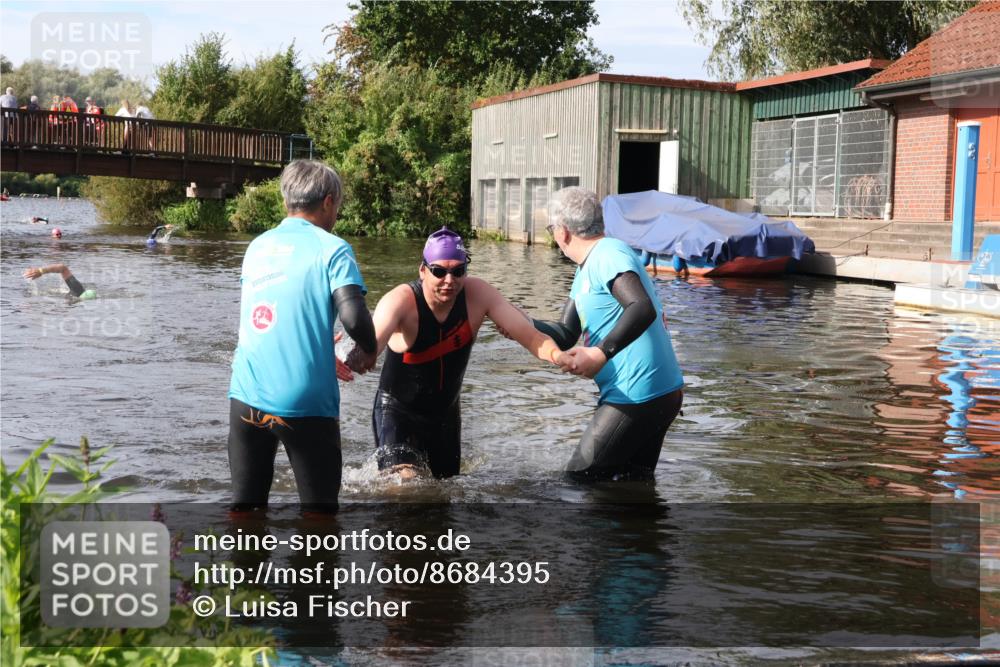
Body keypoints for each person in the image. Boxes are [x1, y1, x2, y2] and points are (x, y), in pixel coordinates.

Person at [347, 227, 566, 480]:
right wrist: (356, 358)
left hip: (445, 415)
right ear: (423, 270)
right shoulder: (401, 301)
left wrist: (558, 356)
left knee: (446, 494)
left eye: (458, 271)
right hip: (398, 412)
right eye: (439, 271)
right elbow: (371, 342)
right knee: (405, 486)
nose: (449, 280)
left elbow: (531, 336)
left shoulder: (479, 295)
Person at [228, 160, 377, 514]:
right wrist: (369, 350)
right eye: (337, 206)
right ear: (328, 202)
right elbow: (354, 316)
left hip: (246, 397)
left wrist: (315, 343)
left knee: (246, 511)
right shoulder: (332, 248)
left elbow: (271, 314)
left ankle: (245, 569)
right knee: (319, 515)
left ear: (286, 203)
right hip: (304, 401)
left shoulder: (257, 247)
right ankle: (314, 569)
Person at [526, 187, 684, 481]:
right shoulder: (586, 268)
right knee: (630, 486)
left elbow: (640, 307)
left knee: (576, 481)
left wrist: (600, 353)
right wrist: (520, 323)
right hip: (657, 393)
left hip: (638, 395)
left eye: (551, 229)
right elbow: (565, 333)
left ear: (562, 231)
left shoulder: (608, 253)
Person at [23, 263, 96, 299]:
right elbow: (62, 267)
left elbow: (63, 268)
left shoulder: (77, 294)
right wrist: (40, 271)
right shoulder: (78, 290)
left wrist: (41, 271)